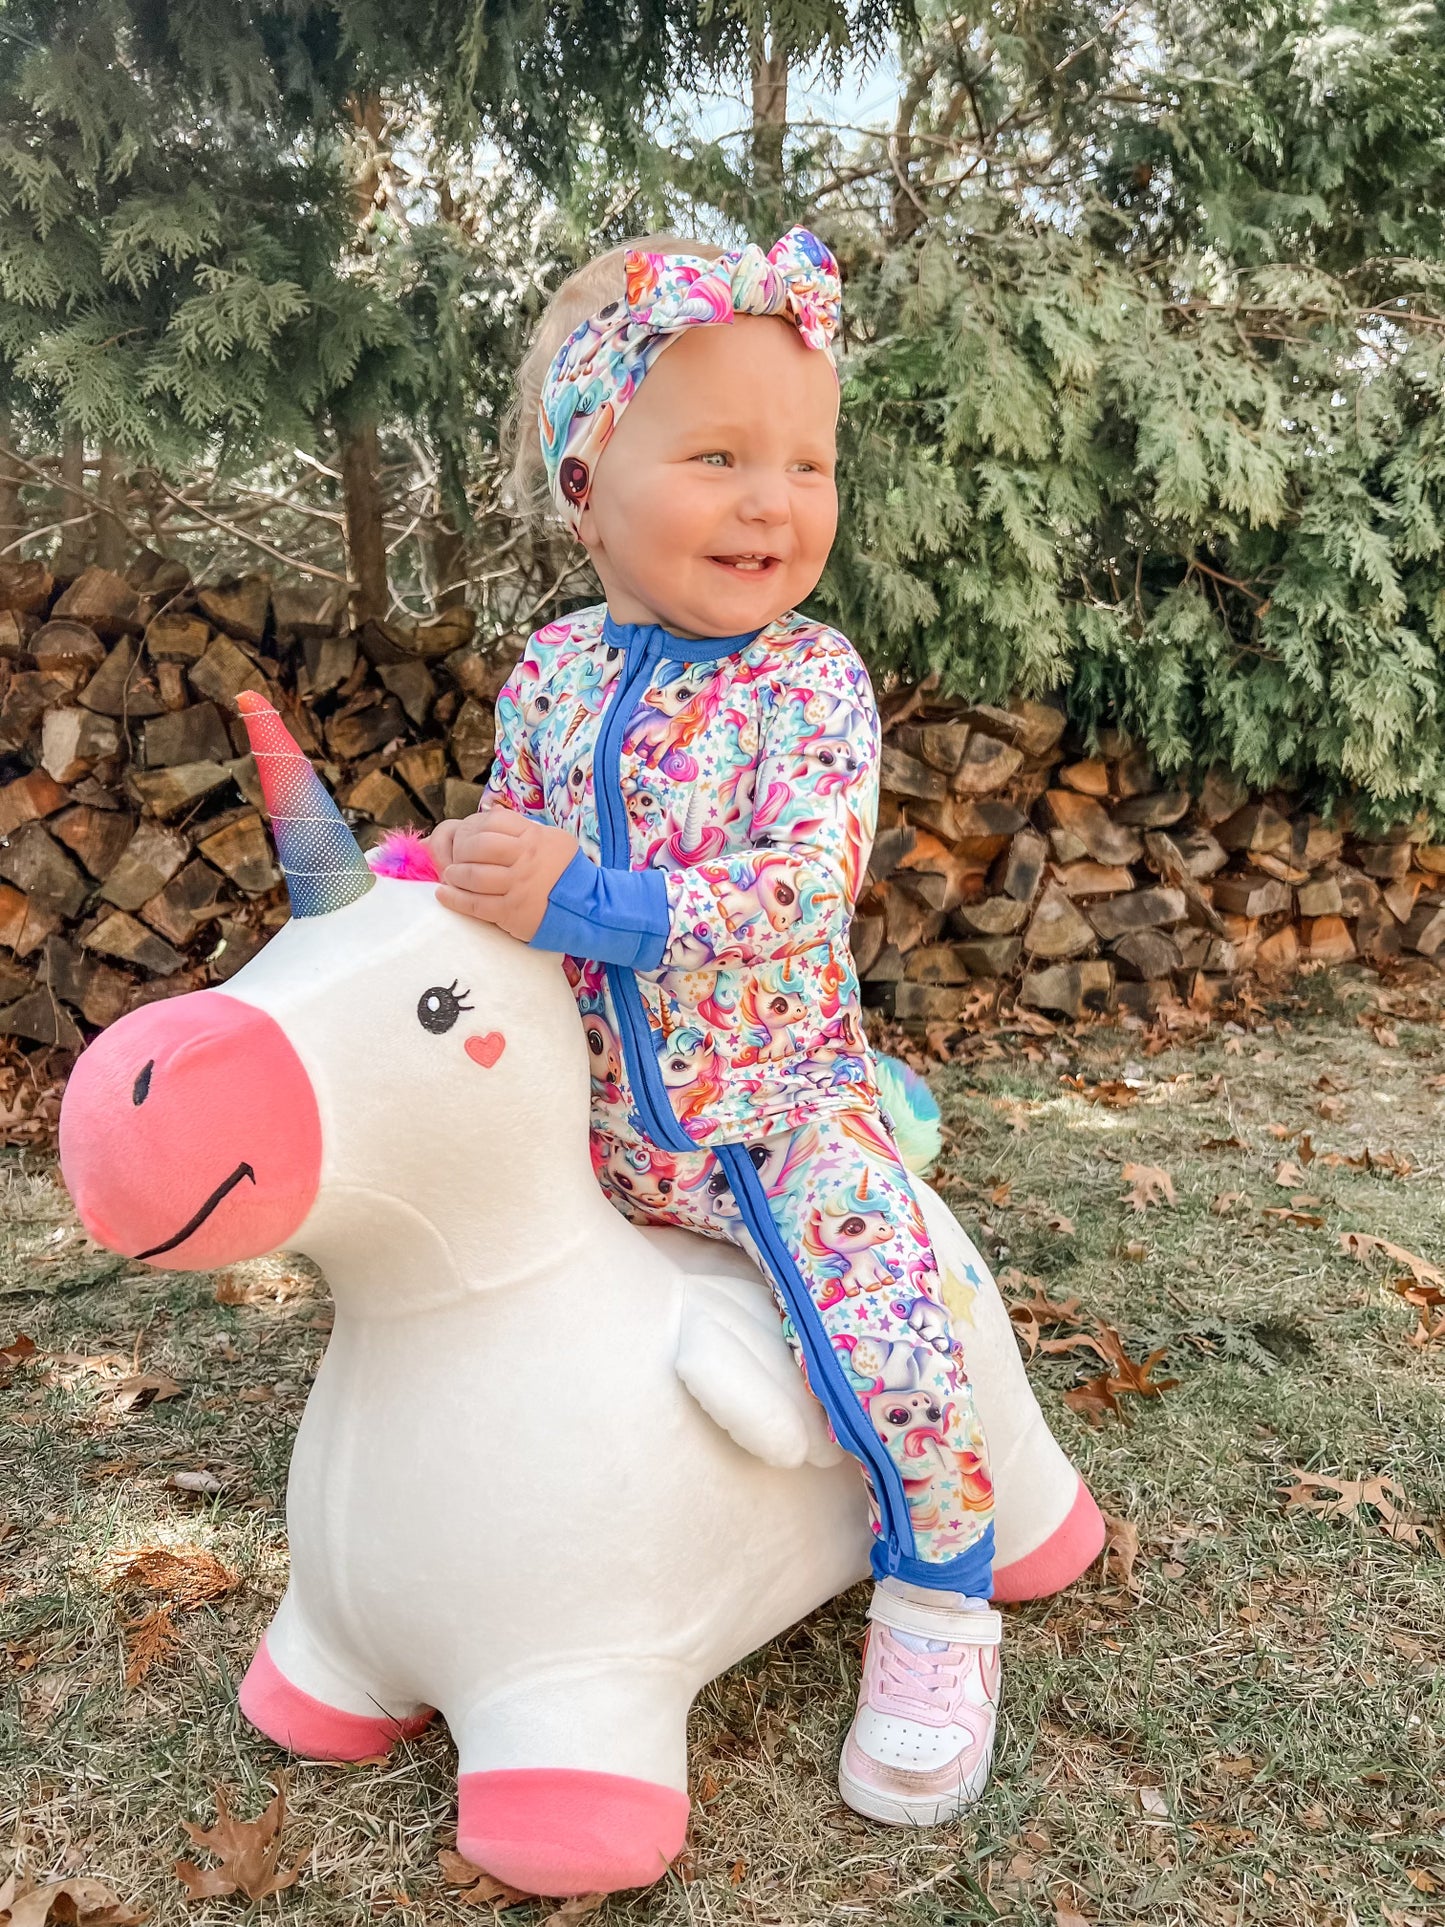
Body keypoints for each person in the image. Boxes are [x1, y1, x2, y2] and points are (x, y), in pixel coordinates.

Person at [424, 228, 1001, 1826]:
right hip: (586, 1123)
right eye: (721, 455)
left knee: (887, 1340)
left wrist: (590, 901)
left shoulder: (808, 683)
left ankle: (942, 1596)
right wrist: (456, 884)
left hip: (775, 1113)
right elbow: (511, 855)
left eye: (809, 462)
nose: (776, 500)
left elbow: (800, 890)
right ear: (583, 478)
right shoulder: (547, 672)